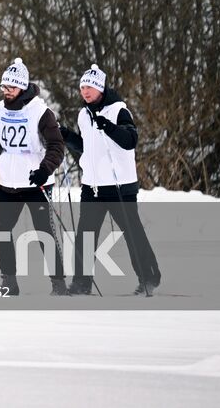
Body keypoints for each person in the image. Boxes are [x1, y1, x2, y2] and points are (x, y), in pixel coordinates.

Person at [0, 58, 68, 296]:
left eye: (11, 87)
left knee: (44, 233)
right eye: (4, 87)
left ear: (22, 86)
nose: (6, 91)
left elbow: (56, 146)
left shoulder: (41, 113)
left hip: (36, 184)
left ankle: (58, 283)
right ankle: (9, 282)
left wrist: (44, 170)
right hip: (8, 185)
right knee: (1, 230)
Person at [59, 63, 162, 295]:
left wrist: (108, 127)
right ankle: (81, 283)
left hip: (119, 187)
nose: (85, 91)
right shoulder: (83, 114)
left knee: (132, 232)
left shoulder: (119, 110)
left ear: (100, 88)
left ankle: (149, 278)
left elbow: (130, 141)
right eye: (82, 87)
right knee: (85, 235)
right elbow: (88, 148)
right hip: (92, 187)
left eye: (90, 87)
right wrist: (67, 136)